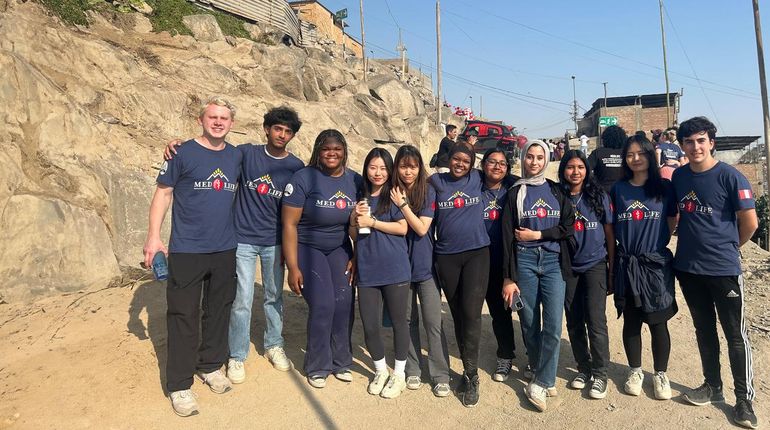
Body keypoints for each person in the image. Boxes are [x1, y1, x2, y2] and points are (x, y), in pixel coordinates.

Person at [163, 107, 304, 382]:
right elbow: (213, 150)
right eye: (277, 129)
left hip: (274, 242)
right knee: (241, 299)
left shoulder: (296, 167)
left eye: (287, 131)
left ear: (292, 136)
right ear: (266, 129)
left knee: (274, 295)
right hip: (242, 240)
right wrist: (175, 146)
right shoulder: (246, 153)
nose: (281, 135)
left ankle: (274, 344)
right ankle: (237, 355)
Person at [143, 97, 243, 417]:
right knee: (182, 316)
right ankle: (180, 384)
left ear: (231, 123)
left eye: (224, 118)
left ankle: (211, 365)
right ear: (201, 120)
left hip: (225, 248)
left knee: (218, 310)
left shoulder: (237, 156)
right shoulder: (182, 152)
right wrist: (154, 237)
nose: (218, 122)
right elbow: (163, 192)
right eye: (212, 117)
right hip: (187, 249)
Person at [672, 117, 759, 429]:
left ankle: (744, 400)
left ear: (711, 142)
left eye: (701, 140)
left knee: (735, 335)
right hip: (689, 268)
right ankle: (712, 385)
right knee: (704, 330)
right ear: (681, 145)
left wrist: (728, 246)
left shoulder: (731, 177)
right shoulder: (680, 178)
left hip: (723, 269)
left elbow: (750, 223)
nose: (695, 147)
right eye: (689, 142)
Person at [281, 129, 362, 389]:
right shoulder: (304, 178)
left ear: (344, 152)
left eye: (337, 149)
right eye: (326, 148)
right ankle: (317, 364)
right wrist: (292, 266)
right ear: (318, 151)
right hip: (308, 247)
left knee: (344, 300)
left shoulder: (355, 181)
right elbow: (289, 225)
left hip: (339, 247)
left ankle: (341, 361)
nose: (331, 153)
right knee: (324, 303)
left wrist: (358, 255)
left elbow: (361, 222)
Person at [501, 140, 574, 412]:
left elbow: (568, 228)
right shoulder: (515, 193)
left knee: (554, 325)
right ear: (523, 159)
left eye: (539, 157)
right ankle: (538, 369)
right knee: (530, 322)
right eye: (529, 157)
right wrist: (509, 277)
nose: (533, 162)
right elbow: (507, 237)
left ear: (546, 160)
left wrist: (540, 234)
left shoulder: (556, 190)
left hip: (553, 261)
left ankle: (541, 382)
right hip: (525, 261)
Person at [610, 134, 678, 402]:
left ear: (651, 155)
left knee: (658, 322)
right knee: (632, 321)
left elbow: (672, 219)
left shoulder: (664, 188)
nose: (635, 159)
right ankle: (635, 371)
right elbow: (613, 225)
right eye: (630, 154)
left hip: (655, 264)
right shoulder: (619, 189)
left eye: (641, 153)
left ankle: (660, 374)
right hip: (628, 262)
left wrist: (657, 243)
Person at [430, 144, 490, 407]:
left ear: (472, 164)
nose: (461, 164)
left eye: (466, 161)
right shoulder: (435, 182)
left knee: (471, 313)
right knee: (457, 314)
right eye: (457, 159)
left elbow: (504, 176)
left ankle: (472, 374)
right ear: (449, 159)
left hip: (477, 254)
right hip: (446, 257)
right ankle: (467, 368)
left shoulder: (478, 178)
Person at [349, 148, 411, 399]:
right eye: (373, 167)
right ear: (366, 169)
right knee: (370, 325)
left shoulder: (395, 194)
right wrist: (354, 219)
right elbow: (354, 236)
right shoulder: (361, 197)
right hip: (367, 270)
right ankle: (379, 370)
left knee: (398, 323)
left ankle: (399, 374)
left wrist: (373, 222)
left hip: (395, 268)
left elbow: (403, 228)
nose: (378, 173)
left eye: (384, 168)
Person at [392, 145, 452, 398]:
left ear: (420, 167)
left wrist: (403, 205)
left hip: (425, 267)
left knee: (432, 321)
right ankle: (413, 369)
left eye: (413, 166)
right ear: (397, 167)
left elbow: (421, 229)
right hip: (398, 269)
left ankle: (440, 374)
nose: (408, 171)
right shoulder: (389, 191)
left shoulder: (426, 192)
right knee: (407, 322)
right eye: (403, 166)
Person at [558, 150, 614, 400]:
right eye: (570, 167)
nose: (575, 172)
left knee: (596, 320)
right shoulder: (557, 196)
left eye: (580, 167)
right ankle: (584, 366)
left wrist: (612, 264)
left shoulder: (598, 195)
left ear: (587, 170)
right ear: (563, 171)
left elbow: (609, 232)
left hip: (595, 263)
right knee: (573, 318)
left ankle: (601, 374)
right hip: (568, 265)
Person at [479, 148, 520, 383]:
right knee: (497, 312)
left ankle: (528, 357)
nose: (497, 167)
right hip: (482, 261)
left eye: (502, 163)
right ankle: (505, 354)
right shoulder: (474, 188)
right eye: (492, 162)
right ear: (484, 165)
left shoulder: (513, 190)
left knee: (517, 311)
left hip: (509, 259)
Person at [588, 125, 627, 193]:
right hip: (624, 193)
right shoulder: (627, 152)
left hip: (602, 193)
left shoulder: (598, 152)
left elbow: (585, 168)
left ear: (605, 138)